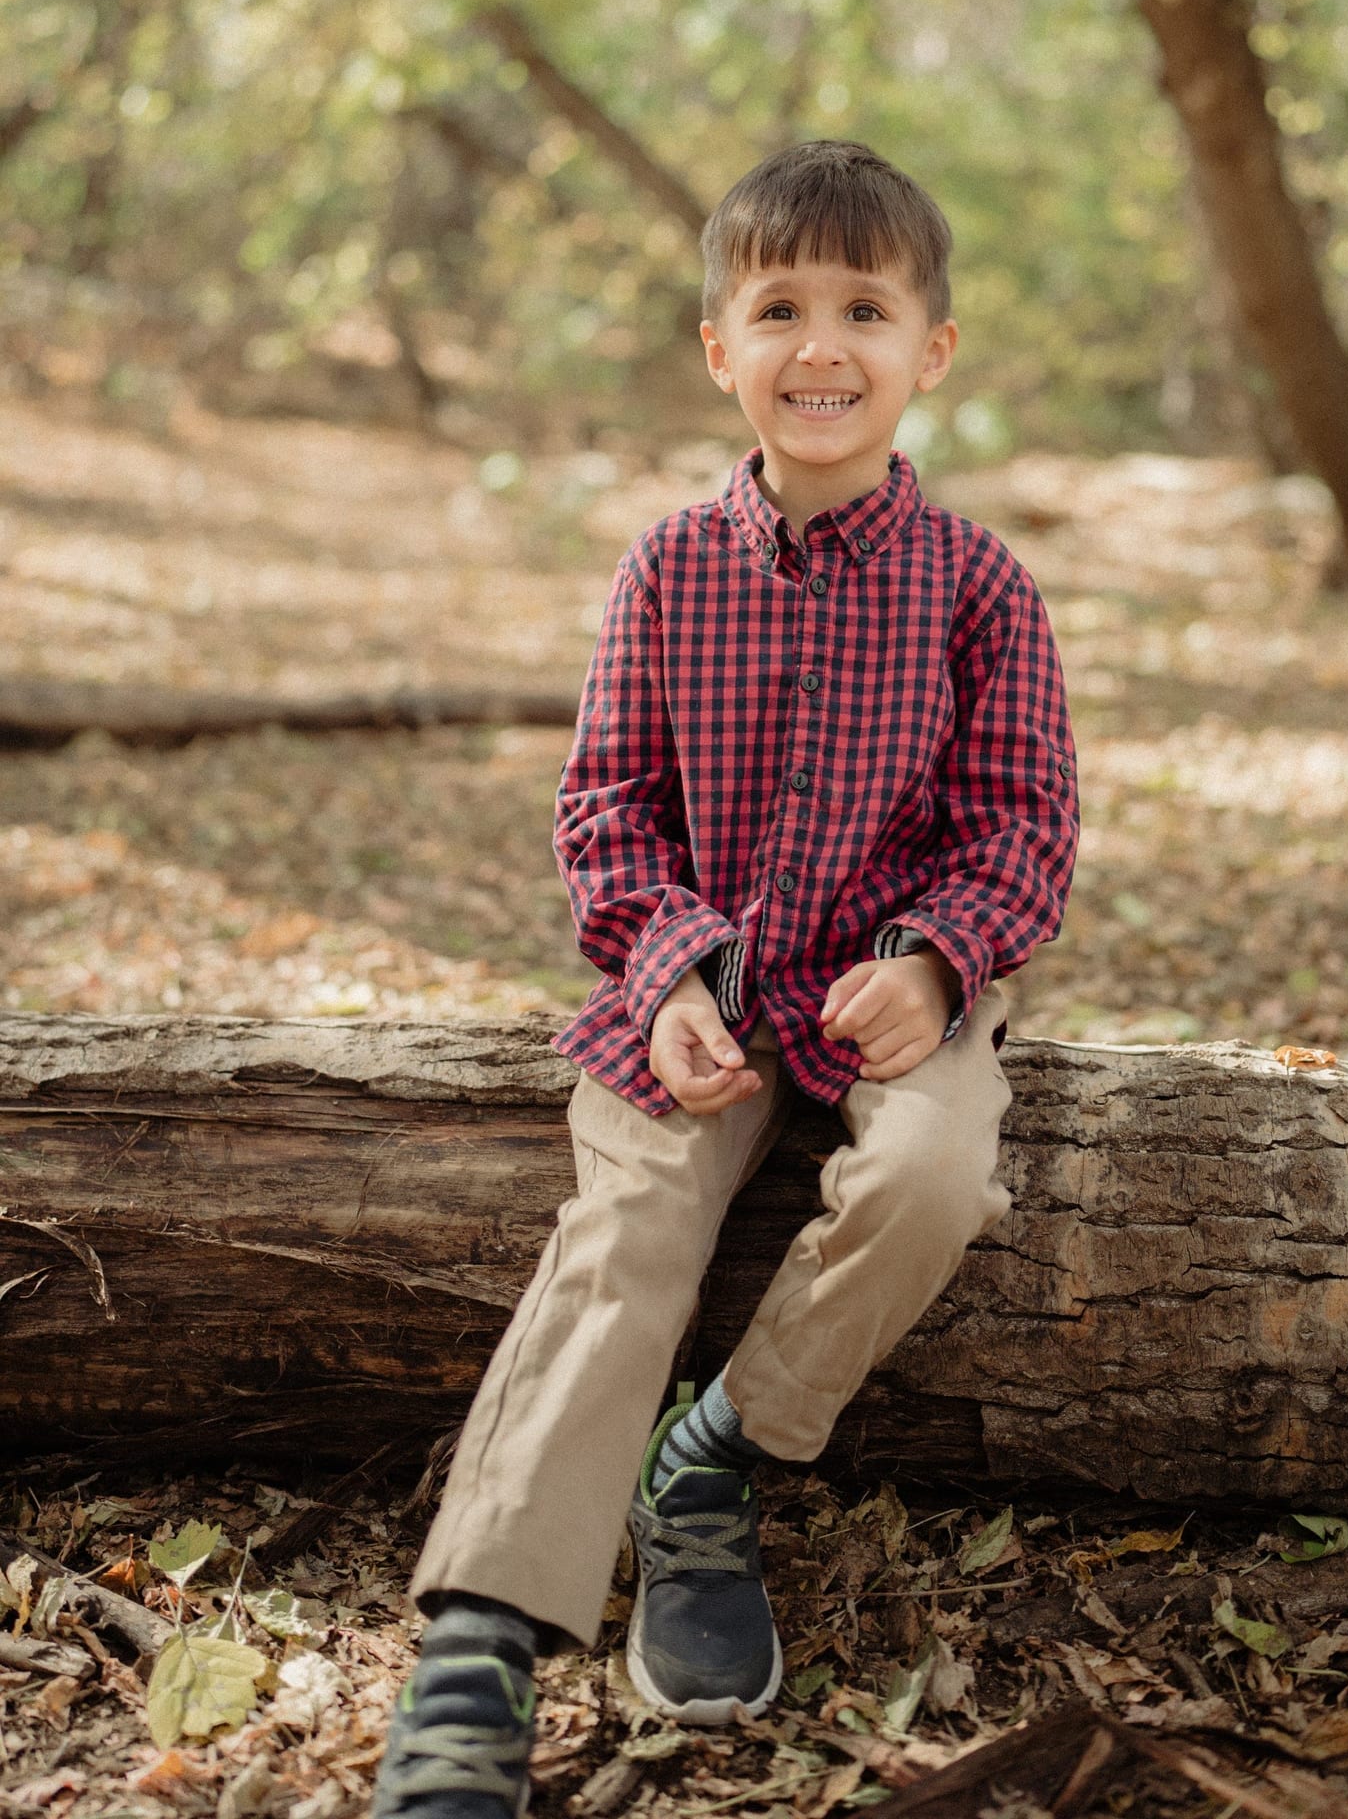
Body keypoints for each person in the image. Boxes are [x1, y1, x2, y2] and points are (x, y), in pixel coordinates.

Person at [371, 139, 1078, 1819]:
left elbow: (1027, 826)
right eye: (778, 308)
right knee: (625, 1235)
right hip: (700, 994)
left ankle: (721, 1460)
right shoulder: (664, 571)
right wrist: (669, 969)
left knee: (928, 1170)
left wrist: (935, 958)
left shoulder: (980, 587)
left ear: (933, 350)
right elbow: (606, 804)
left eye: (864, 309)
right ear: (718, 349)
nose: (819, 347)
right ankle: (479, 1642)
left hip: (898, 989)